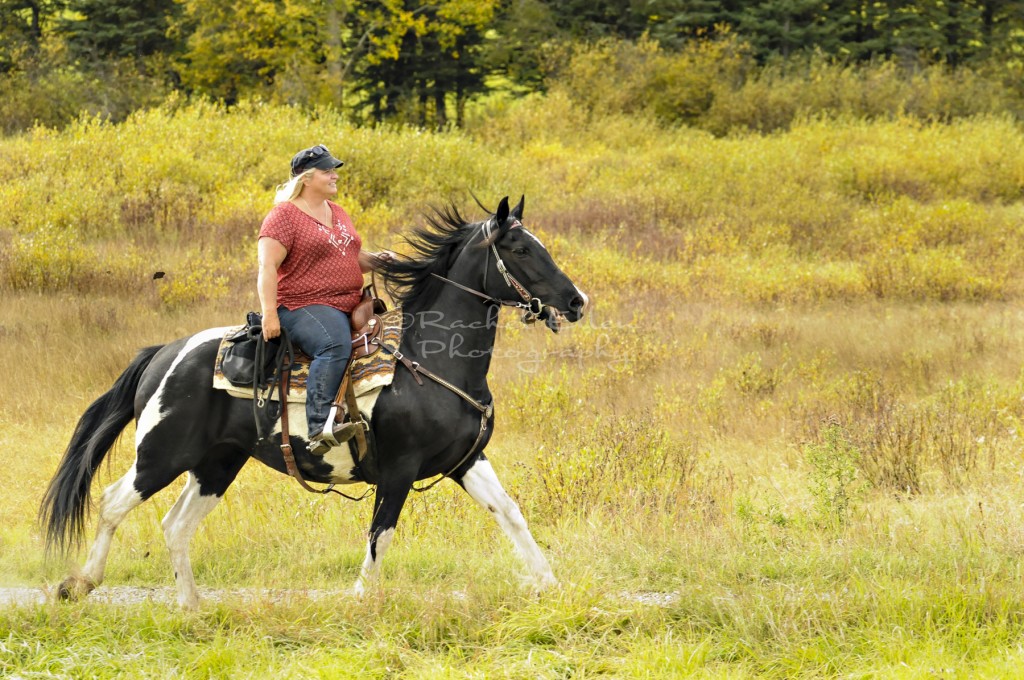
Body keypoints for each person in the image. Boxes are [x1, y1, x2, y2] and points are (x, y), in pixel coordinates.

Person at [257, 144, 393, 455]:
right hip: (302, 304)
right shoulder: (283, 217)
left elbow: (351, 255)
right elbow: (267, 266)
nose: (334, 175)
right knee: (334, 343)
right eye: (327, 171)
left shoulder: (338, 211)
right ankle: (319, 426)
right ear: (306, 178)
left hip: (350, 300)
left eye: (334, 169)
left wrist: (384, 260)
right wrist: (269, 314)